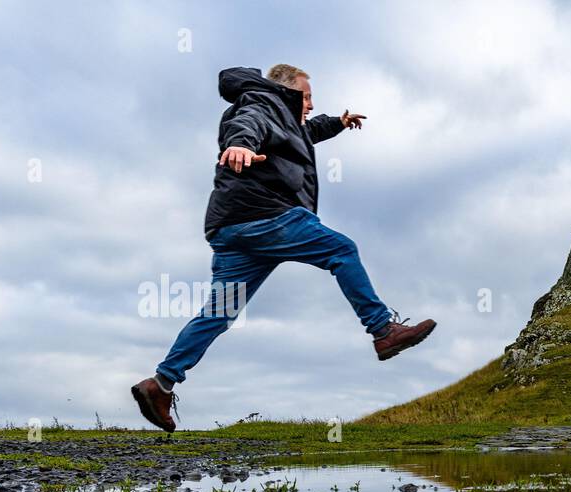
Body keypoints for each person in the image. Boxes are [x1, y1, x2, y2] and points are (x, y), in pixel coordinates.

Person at [131, 64, 435, 432]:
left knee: (218, 314)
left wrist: (338, 122)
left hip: (232, 230)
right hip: (266, 215)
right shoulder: (262, 102)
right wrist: (240, 144)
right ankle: (382, 331)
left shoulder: (289, 120)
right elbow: (247, 123)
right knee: (342, 250)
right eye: (306, 97)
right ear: (288, 92)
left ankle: (161, 383)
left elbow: (307, 132)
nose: (309, 105)